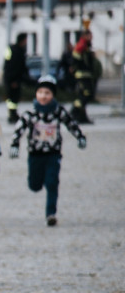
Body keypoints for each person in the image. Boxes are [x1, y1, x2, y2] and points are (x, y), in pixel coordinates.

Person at [9, 76, 87, 226]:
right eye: (40, 92)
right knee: (34, 185)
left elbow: (71, 124)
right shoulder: (30, 114)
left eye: (47, 93)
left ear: (53, 95)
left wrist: (80, 137)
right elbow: (19, 129)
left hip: (53, 154)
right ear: (36, 94)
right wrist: (14, 145)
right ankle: (38, 181)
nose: (43, 96)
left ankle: (51, 213)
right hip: (35, 155)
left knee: (52, 183)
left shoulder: (58, 112)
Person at [70, 30, 97, 125]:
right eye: (90, 35)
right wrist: (76, 68)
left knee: (84, 94)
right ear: (85, 35)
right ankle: (75, 111)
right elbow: (76, 59)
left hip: (86, 74)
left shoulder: (86, 45)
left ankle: (82, 116)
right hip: (82, 74)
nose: (91, 37)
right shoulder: (81, 45)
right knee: (86, 94)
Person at [3, 33, 30, 124]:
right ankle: (12, 115)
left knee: (13, 98)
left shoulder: (15, 49)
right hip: (13, 79)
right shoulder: (16, 50)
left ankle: (13, 114)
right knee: (13, 98)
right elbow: (12, 66)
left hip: (13, 78)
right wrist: (13, 80)